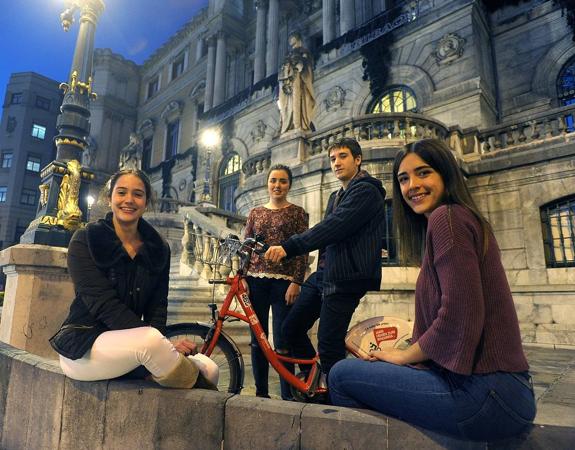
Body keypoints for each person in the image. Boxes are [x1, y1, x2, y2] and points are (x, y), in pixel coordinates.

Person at [328, 139, 536, 441]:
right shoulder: (457, 219)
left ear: (445, 174)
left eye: (423, 173)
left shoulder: (447, 219)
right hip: (502, 391)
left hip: (487, 393)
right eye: (403, 178)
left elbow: (460, 314)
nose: (412, 185)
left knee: (340, 375)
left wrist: (404, 356)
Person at [49, 169, 218, 389]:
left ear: (146, 202)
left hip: (137, 346)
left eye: (138, 194)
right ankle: (211, 399)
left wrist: (160, 345)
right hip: (84, 346)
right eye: (121, 193)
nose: (129, 200)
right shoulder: (85, 239)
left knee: (210, 368)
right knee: (151, 342)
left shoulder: (159, 248)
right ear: (109, 199)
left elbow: (158, 307)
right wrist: (160, 344)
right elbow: (104, 305)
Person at [265, 137, 386, 381]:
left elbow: (334, 226)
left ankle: (336, 399)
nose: (337, 163)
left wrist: (289, 246)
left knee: (329, 345)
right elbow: (327, 236)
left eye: (343, 157)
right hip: (325, 275)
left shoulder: (366, 191)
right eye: (332, 159)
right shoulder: (336, 195)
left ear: (358, 159)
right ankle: (314, 382)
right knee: (290, 328)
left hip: (347, 278)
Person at [243, 164, 309, 400]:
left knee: (283, 339)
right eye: (273, 180)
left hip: (285, 282)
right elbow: (246, 247)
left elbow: (303, 249)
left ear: (289, 184)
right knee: (257, 339)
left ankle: (287, 395)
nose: (277, 185)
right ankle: (261, 393)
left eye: (282, 181)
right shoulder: (255, 213)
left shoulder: (298, 213)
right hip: (255, 281)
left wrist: (297, 282)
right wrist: (242, 277)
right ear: (267, 183)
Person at [278, 32, 316, 133]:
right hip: (287, 80)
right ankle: (287, 125)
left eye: (292, 37)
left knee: (296, 101)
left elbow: (307, 65)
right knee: (285, 105)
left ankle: (297, 124)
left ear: (297, 38)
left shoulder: (303, 51)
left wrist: (298, 65)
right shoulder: (289, 54)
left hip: (297, 78)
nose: (290, 40)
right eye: (289, 38)